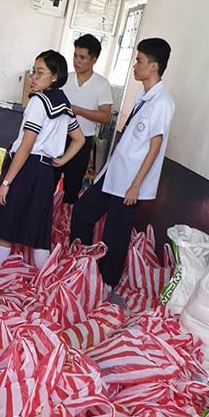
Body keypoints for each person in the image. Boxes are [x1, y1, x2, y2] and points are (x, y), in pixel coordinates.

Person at [70, 37, 174, 291]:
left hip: (130, 182)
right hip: (115, 173)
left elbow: (155, 146)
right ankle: (83, 263)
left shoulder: (162, 102)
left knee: (115, 233)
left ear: (154, 66)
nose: (134, 66)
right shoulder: (143, 97)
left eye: (139, 61)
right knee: (83, 210)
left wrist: (136, 185)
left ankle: (106, 285)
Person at [0, 50, 84, 271]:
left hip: (26, 168)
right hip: (45, 173)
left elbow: (26, 146)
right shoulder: (64, 104)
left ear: (55, 76)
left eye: (40, 73)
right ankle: (47, 284)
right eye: (33, 72)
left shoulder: (39, 102)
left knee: (6, 228)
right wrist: (61, 160)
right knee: (38, 233)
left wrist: (6, 183)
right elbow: (79, 139)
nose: (33, 77)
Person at [55, 34, 112, 203]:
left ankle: (65, 215)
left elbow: (105, 116)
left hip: (82, 142)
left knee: (72, 186)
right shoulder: (65, 79)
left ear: (94, 60)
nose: (77, 61)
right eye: (75, 56)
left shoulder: (101, 84)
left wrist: (78, 110)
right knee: (48, 180)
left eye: (82, 57)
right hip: (58, 137)